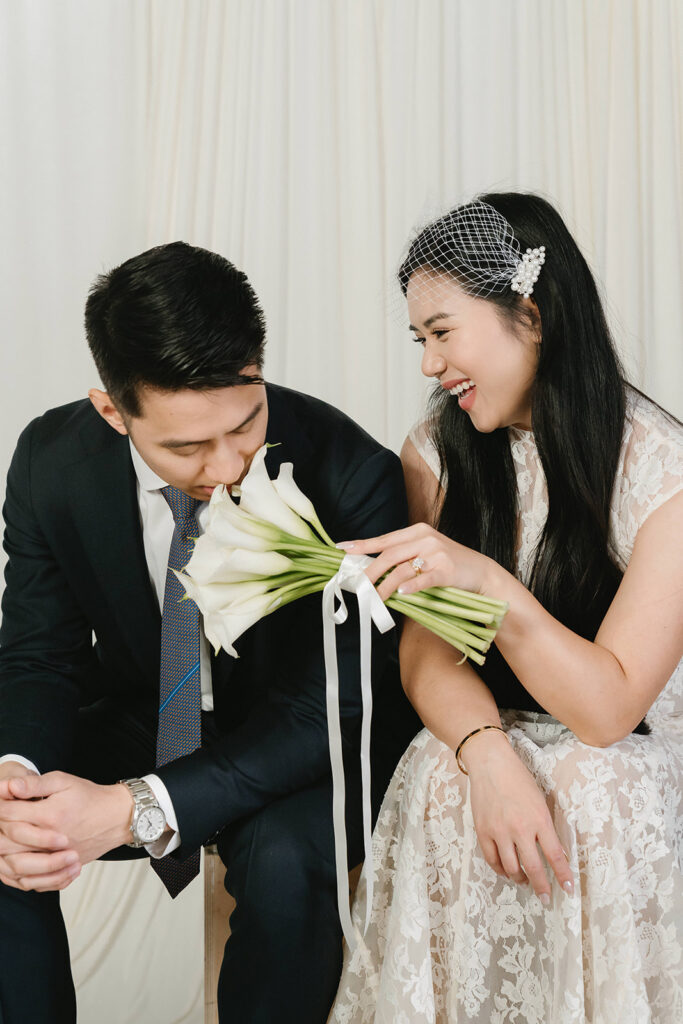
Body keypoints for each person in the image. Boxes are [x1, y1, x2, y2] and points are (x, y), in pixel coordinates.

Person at [0, 241, 419, 1024]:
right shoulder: (50, 462)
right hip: (151, 714)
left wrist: (133, 809)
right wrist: (15, 773)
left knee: (291, 860)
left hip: (305, 740)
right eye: (186, 447)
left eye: (245, 425)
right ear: (111, 410)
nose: (227, 465)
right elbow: (37, 656)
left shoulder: (349, 470)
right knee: (3, 823)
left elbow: (338, 706)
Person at [330, 193, 683, 1023]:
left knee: (590, 785)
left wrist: (489, 584)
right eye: (418, 338)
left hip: (625, 742)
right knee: (437, 773)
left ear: (527, 313)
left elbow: (608, 710)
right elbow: (424, 654)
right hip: (499, 719)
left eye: (443, 332)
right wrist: (484, 753)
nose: (426, 364)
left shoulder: (660, 471)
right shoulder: (438, 452)